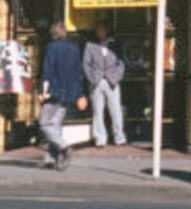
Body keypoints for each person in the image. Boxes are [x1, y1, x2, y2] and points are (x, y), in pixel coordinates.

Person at [37, 22, 89, 171]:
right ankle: (51, 159)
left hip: (53, 91)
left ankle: (64, 147)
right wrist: (79, 93)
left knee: (45, 124)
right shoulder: (74, 48)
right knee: (56, 124)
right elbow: (79, 73)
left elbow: (48, 71)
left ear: (53, 33)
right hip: (69, 93)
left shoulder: (51, 47)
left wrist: (42, 91)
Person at [83, 25, 128, 148]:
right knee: (98, 111)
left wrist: (116, 77)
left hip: (112, 81)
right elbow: (86, 64)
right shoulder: (90, 45)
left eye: (103, 29)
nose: (100, 32)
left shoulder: (114, 44)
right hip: (96, 81)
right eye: (98, 30)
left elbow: (121, 63)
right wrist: (92, 78)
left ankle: (119, 137)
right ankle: (100, 139)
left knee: (115, 110)